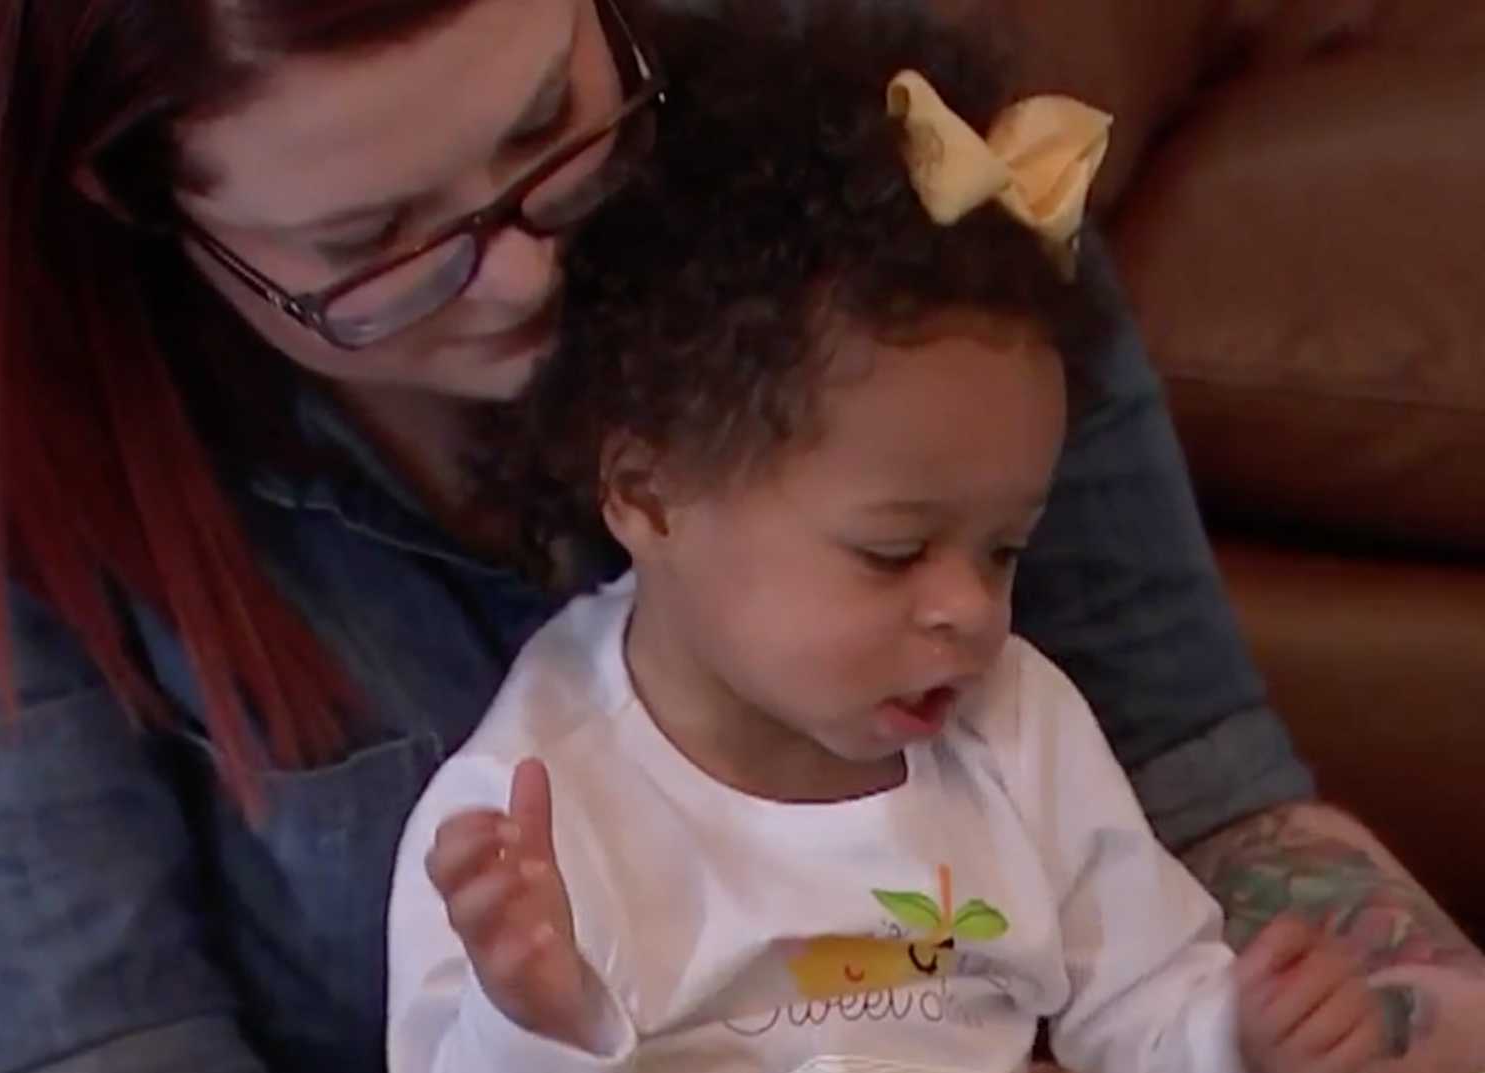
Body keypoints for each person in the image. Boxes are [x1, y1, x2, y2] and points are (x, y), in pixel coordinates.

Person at [0, 0, 1477, 1071]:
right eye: (370, 246)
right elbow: (79, 1038)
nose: (519, 284)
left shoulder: (902, 208)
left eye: (544, 135)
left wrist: (1301, 1020)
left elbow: (1197, 818)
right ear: (139, 213)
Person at [384, 12, 1381, 1071]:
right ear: (649, 494)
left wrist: (1234, 1032)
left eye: (1003, 551)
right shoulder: (531, 805)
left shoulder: (1018, 726)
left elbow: (1142, 992)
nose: (969, 610)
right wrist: (534, 1021)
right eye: (893, 553)